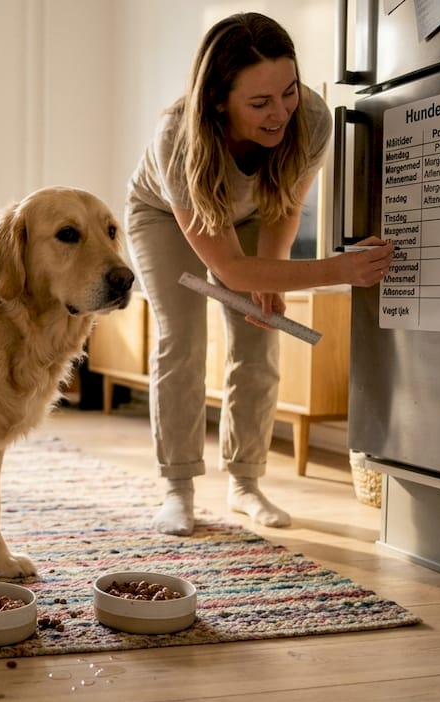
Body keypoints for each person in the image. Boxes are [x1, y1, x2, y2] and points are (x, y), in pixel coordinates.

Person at [124, 12, 392, 536]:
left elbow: (284, 207)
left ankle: (245, 482)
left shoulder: (312, 120)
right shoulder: (178, 139)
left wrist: (273, 278)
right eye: (261, 103)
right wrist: (337, 269)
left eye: (287, 92)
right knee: (182, 338)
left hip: (249, 217)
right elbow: (228, 266)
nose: (281, 114)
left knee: (258, 338)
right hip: (163, 216)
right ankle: (178, 488)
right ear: (219, 100)